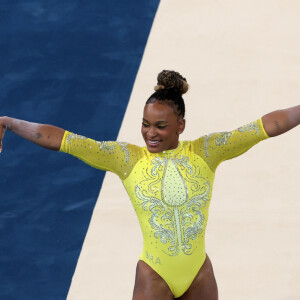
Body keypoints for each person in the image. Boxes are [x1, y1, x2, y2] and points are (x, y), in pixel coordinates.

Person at [0, 70, 299, 300]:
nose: (150, 133)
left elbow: (264, 128)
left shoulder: (207, 151)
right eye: (145, 123)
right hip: (154, 275)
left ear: (181, 125)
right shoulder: (126, 158)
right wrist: (9, 122)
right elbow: (64, 140)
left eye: (160, 126)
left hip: (200, 274)